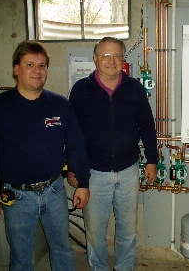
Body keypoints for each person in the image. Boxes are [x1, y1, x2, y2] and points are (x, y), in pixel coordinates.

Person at [0, 40, 90, 271]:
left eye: (42, 65)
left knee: (62, 249)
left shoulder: (60, 105)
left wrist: (83, 182)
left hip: (54, 191)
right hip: (16, 196)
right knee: (21, 258)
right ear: (16, 69)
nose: (37, 71)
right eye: (30, 64)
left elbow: (76, 145)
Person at [69, 36, 158, 271]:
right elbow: (71, 134)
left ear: (123, 59)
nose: (112, 61)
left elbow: (147, 126)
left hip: (128, 171)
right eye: (106, 56)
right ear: (96, 59)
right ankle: (98, 268)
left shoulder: (134, 88)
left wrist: (152, 160)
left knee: (128, 229)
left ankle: (124, 268)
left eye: (117, 55)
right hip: (93, 175)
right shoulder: (81, 90)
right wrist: (71, 168)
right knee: (95, 232)